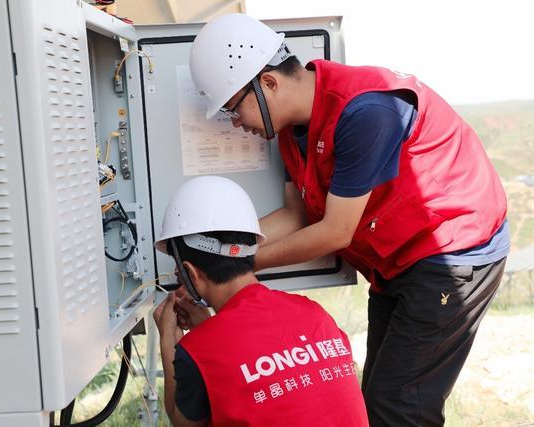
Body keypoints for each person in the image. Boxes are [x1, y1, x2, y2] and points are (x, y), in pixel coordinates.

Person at [188, 13, 509, 427]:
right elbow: (295, 215)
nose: (237, 124)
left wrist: (238, 267)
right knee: (376, 400)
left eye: (234, 110)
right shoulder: (291, 132)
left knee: (401, 407)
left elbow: (334, 232)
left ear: (268, 83)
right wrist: (220, 252)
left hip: (453, 253)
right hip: (396, 262)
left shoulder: (366, 111)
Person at [153, 175, 368, 427]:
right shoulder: (314, 313)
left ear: (190, 273)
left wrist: (168, 339)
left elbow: (184, 423)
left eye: (178, 271)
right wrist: (207, 328)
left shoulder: (197, 351)